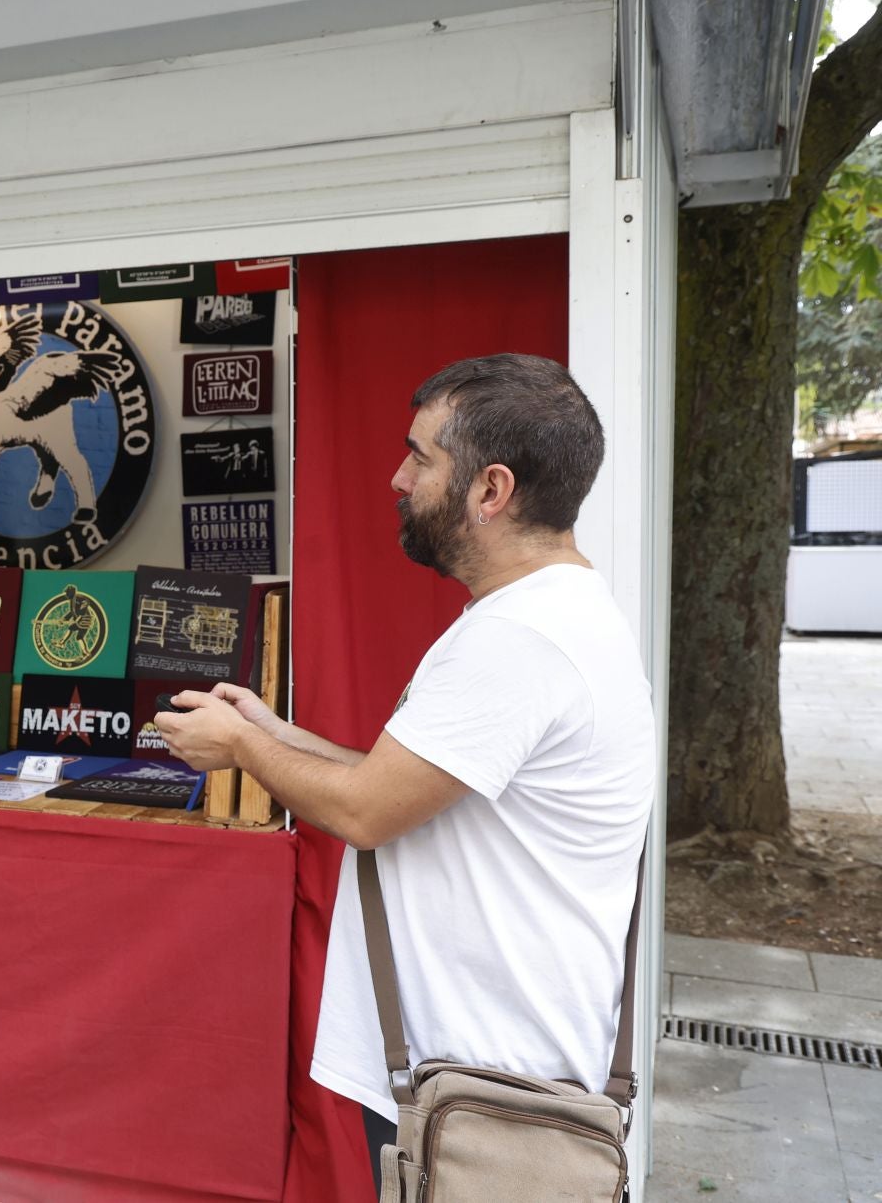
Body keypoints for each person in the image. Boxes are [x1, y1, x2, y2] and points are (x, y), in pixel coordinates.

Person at [156, 353, 654, 1189]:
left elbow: (366, 812)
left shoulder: (521, 638)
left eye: (422, 459)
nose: (397, 477)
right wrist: (275, 730)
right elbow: (414, 786)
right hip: (477, 1071)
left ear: (490, 491)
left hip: (483, 1081)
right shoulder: (547, 615)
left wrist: (244, 750)